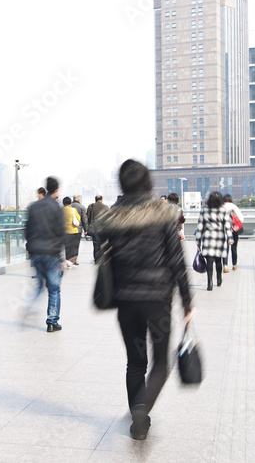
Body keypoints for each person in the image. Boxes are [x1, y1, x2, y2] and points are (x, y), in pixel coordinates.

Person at [98, 159, 193, 441]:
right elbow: (177, 261)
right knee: (161, 364)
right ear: (147, 182)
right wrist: (188, 303)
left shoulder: (111, 217)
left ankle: (138, 414)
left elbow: (104, 257)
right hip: (158, 300)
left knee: (135, 362)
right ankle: (142, 412)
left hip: (125, 301)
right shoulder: (164, 213)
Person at [25, 176, 65, 332]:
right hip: (51, 254)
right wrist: (60, 256)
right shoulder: (56, 208)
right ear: (57, 190)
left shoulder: (34, 207)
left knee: (40, 286)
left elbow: (27, 230)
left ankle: (29, 306)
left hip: (35, 252)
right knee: (54, 289)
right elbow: (60, 233)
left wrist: (30, 248)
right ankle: (52, 321)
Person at [195, 191, 233, 291]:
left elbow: (200, 227)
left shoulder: (204, 211)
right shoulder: (223, 211)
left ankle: (209, 282)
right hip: (220, 237)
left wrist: (198, 240)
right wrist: (230, 238)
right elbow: (227, 226)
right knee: (218, 260)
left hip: (208, 237)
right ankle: (219, 279)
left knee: (209, 261)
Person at [222, 194, 244, 272]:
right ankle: (234, 265)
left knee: (225, 248)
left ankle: (225, 266)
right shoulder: (233, 206)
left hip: (224, 230)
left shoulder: (221, 206)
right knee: (234, 248)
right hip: (234, 230)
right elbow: (241, 218)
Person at [87, 195, 109, 262]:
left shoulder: (91, 207)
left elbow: (88, 217)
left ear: (95, 199)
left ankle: (96, 258)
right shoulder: (106, 207)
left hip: (94, 228)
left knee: (96, 244)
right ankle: (102, 257)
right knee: (103, 243)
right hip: (103, 228)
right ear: (102, 200)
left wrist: (87, 227)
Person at [62, 196, 81, 268]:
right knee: (74, 247)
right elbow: (78, 219)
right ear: (70, 203)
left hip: (65, 231)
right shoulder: (73, 210)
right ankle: (72, 262)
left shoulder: (61, 210)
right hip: (74, 231)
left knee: (67, 247)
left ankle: (67, 262)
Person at [71, 195, 88, 265]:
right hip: (78, 228)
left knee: (69, 245)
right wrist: (86, 229)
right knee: (76, 245)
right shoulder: (82, 207)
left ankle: (68, 259)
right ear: (79, 200)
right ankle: (74, 260)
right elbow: (84, 219)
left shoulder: (69, 206)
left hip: (69, 228)